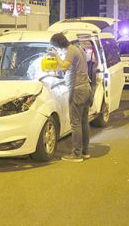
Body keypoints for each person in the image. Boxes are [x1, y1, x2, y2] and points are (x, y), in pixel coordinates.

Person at [49, 33, 92, 162]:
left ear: (58, 44)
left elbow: (64, 66)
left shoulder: (70, 51)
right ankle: (85, 151)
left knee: (76, 123)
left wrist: (55, 55)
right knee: (84, 121)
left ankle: (76, 154)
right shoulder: (77, 48)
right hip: (85, 88)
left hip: (77, 90)